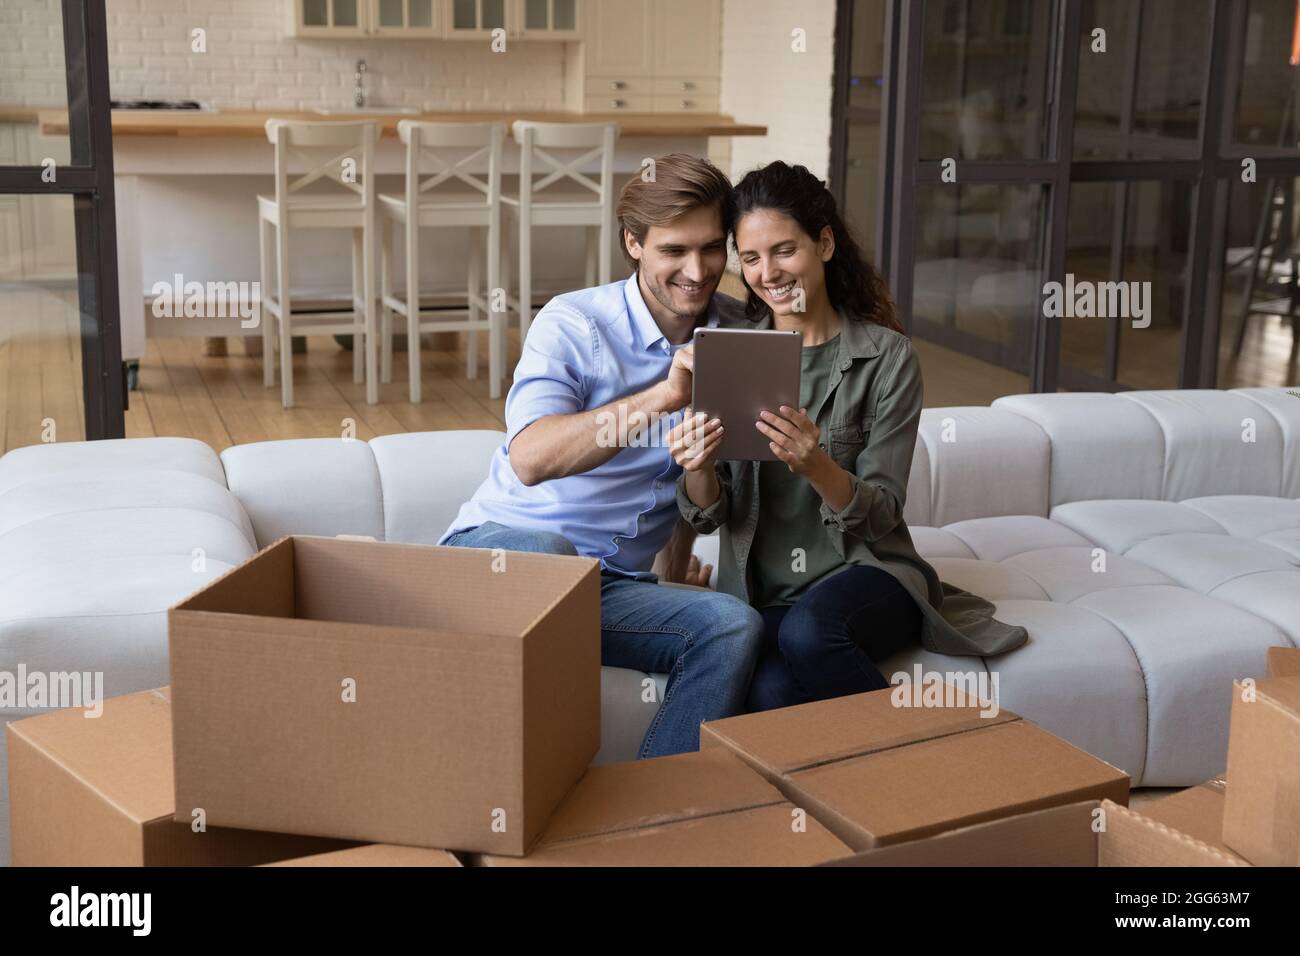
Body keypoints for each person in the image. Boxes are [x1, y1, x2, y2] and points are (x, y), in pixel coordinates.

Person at [670, 161, 1027, 713]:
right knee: (768, 693)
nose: (769, 272)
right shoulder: (731, 352)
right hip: (764, 594)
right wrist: (696, 466)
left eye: (785, 250)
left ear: (826, 243)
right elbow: (710, 516)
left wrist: (817, 465)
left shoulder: (887, 358)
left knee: (809, 635)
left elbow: (882, 514)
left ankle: (920, 768)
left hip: (868, 573)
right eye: (750, 257)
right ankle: (882, 789)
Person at [440, 154, 763, 758]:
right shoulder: (574, 323)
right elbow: (532, 457)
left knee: (732, 624)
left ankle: (655, 815)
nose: (697, 271)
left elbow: (680, 475)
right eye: (673, 251)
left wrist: (671, 574)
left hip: (607, 589)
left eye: (712, 248)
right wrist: (665, 393)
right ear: (633, 243)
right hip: (505, 554)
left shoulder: (738, 331)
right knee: (555, 557)